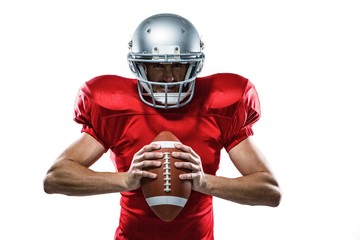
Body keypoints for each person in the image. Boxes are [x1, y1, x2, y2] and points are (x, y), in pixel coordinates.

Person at [43, 13, 281, 240]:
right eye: (157, 66)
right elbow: (56, 177)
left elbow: (269, 190)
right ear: (140, 66)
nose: (169, 78)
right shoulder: (115, 109)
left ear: (194, 65)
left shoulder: (218, 106)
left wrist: (204, 182)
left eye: (178, 65)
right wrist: (125, 180)